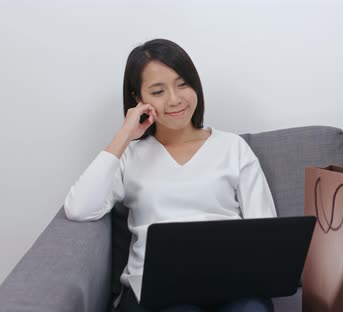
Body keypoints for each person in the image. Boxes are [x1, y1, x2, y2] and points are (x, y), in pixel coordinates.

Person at [64, 39, 277, 312]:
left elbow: (266, 232)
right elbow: (79, 208)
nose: (175, 99)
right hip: (156, 292)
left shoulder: (233, 147)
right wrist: (124, 135)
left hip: (230, 286)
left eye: (182, 84)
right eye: (158, 91)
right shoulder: (130, 155)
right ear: (138, 100)